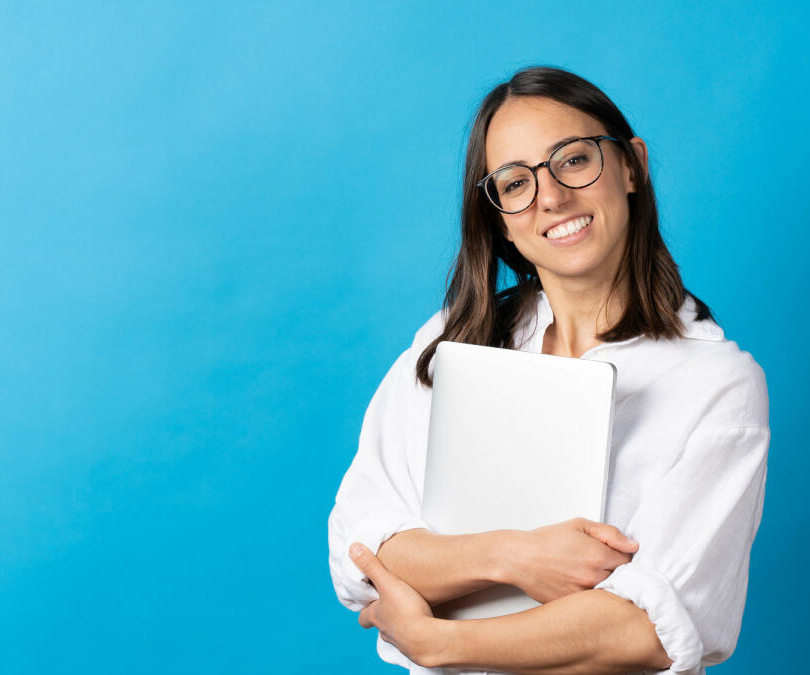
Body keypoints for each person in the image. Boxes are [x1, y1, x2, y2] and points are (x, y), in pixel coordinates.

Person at [327, 66, 770, 675]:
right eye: (515, 183)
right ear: (499, 216)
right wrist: (516, 556)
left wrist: (441, 642)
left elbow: (652, 626)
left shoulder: (716, 383)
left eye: (573, 159)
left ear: (631, 165)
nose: (552, 197)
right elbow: (362, 549)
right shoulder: (451, 343)